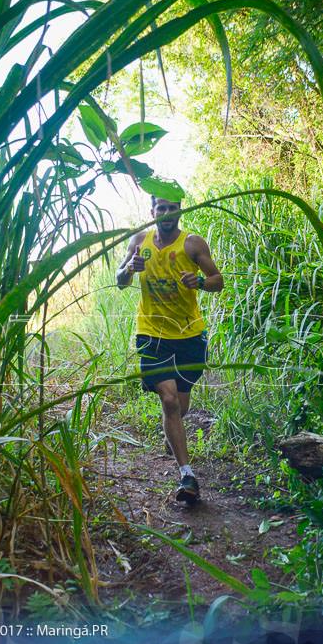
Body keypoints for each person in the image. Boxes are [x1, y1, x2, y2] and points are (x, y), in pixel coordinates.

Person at [116, 195, 224, 503]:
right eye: (160, 208)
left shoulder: (192, 244)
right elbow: (120, 280)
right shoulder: (139, 240)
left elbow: (218, 281)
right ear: (152, 212)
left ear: (180, 210)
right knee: (169, 400)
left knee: (182, 406)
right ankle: (187, 475)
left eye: (172, 208)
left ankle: (172, 435)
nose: (166, 213)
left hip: (189, 335)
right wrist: (129, 269)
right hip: (152, 334)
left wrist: (200, 282)